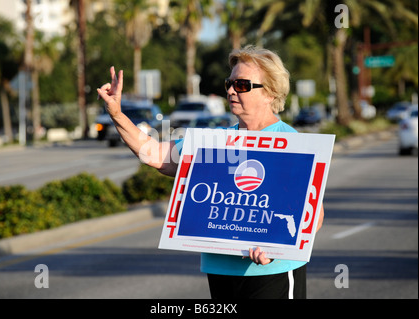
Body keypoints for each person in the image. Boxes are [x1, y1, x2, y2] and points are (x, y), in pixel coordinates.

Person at [97, 45, 324, 299]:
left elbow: (314, 215)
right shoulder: (214, 143)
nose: (230, 90)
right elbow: (153, 154)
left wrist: (275, 248)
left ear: (269, 93)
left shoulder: (291, 143)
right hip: (221, 272)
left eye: (241, 85)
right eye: (230, 83)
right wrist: (116, 113)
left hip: (273, 273)